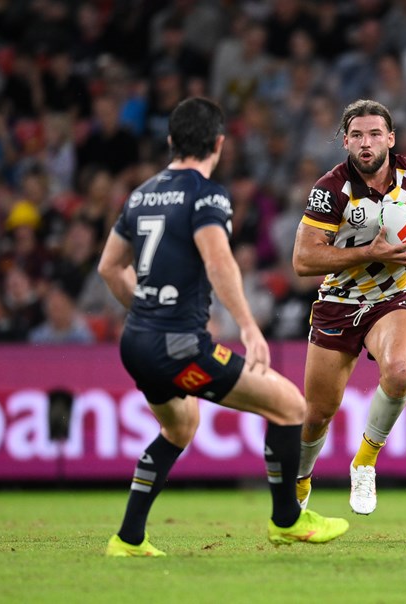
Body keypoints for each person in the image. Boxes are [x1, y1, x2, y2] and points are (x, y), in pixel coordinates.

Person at [97, 97, 348, 557]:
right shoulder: (206, 193)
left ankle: (128, 538)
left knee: (180, 426)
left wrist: (147, 308)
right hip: (179, 346)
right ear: (219, 143)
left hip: (136, 341)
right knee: (290, 406)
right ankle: (287, 520)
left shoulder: (142, 193)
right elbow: (217, 259)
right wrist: (250, 327)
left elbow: (110, 268)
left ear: (171, 141)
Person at [291, 99, 406, 515]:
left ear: (390, 139)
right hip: (339, 302)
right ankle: (300, 480)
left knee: (399, 369)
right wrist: (366, 252)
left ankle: (365, 462)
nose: (366, 143)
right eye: (356, 135)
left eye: (375, 134)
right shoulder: (330, 190)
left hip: (392, 298)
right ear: (345, 142)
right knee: (318, 413)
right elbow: (303, 260)